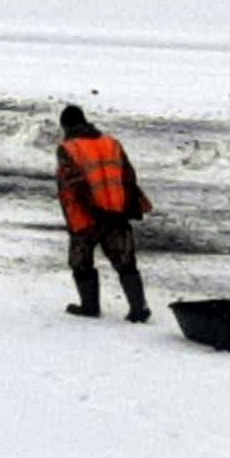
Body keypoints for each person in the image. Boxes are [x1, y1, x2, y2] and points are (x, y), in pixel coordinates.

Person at [56, 105, 152, 323]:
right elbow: (128, 178)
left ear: (66, 126)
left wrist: (94, 210)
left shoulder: (68, 148)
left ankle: (90, 307)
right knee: (126, 262)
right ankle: (139, 308)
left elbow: (75, 186)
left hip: (87, 217)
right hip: (116, 214)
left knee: (81, 262)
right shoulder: (112, 143)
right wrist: (127, 208)